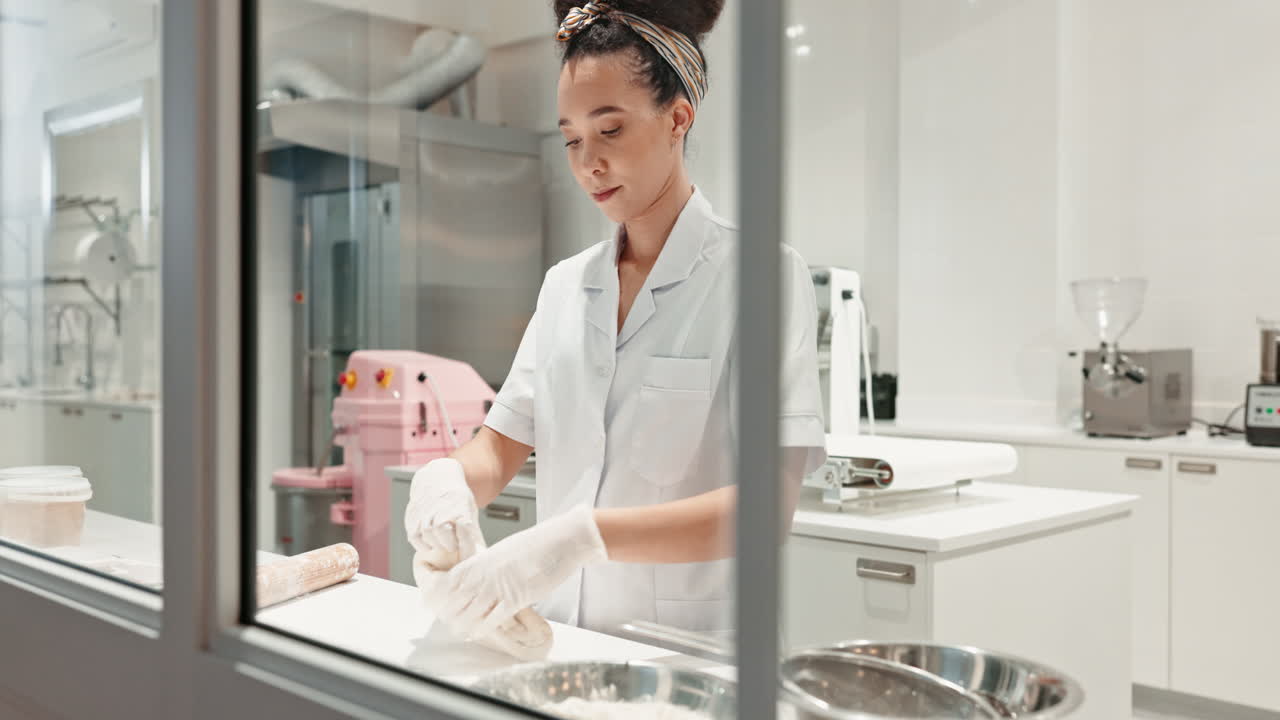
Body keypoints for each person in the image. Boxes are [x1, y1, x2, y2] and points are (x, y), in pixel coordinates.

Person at [404, 0, 825, 638]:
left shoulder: (760, 277)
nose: (586, 163)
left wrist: (583, 538)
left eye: (611, 130)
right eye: (571, 138)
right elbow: (502, 444)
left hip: (685, 658)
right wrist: (446, 482)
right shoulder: (565, 287)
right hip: (560, 648)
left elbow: (768, 507)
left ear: (678, 117)